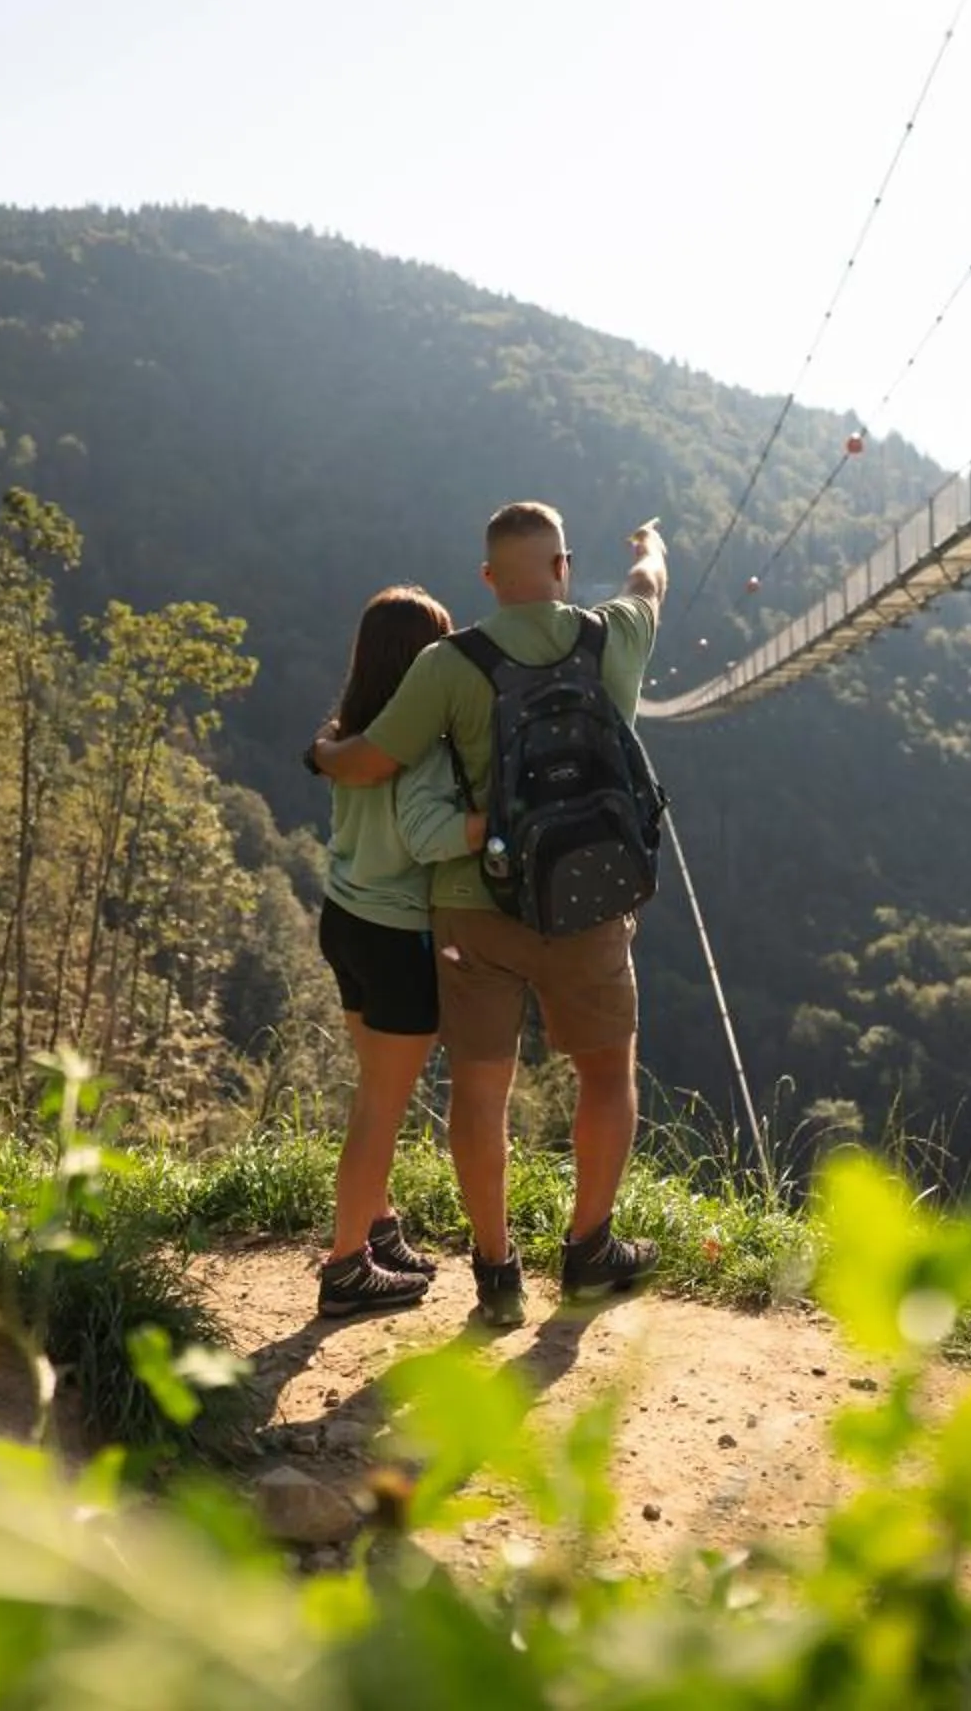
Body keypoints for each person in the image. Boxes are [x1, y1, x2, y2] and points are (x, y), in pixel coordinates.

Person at [313, 501, 666, 1328]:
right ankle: (589, 1253)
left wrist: (325, 752)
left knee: (480, 1089)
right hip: (592, 906)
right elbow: (650, 584)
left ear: (486, 579)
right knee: (607, 1074)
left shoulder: (447, 663)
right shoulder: (613, 631)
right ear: (563, 567)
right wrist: (650, 547)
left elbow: (371, 761)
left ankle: (497, 1272)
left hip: (475, 909)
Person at [304, 585, 488, 1318]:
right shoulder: (422, 749)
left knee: (377, 1092)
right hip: (398, 934)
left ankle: (377, 1229)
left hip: (344, 919)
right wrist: (499, 821)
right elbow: (428, 838)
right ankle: (347, 1267)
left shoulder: (348, 734)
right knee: (380, 1105)